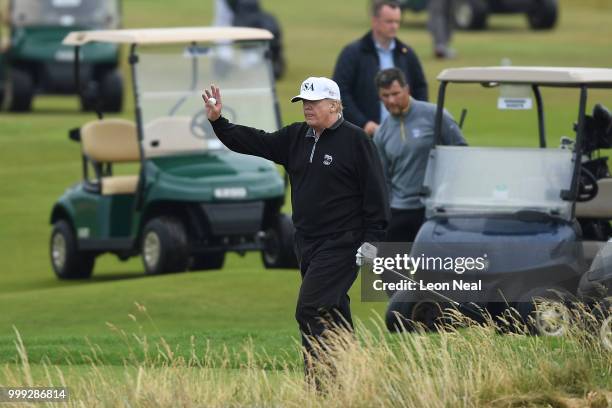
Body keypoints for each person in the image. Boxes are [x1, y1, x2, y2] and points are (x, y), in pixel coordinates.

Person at [202, 77, 389, 382]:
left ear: (334, 105)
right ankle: (356, 377)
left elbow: (377, 195)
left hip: (343, 243)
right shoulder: (296, 137)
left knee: (311, 308)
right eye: (304, 102)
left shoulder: (356, 141)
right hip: (307, 243)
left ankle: (320, 384)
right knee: (333, 311)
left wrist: (373, 241)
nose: (307, 108)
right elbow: (255, 141)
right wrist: (219, 122)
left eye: (314, 102)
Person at [373, 67, 466, 243]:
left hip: (433, 209)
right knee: (390, 269)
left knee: (431, 268)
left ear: (407, 89)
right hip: (399, 211)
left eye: (396, 93)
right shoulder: (381, 132)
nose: (391, 100)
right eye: (385, 96)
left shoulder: (434, 115)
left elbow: (461, 151)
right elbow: (382, 178)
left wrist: (447, 186)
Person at [333, 0, 428, 137]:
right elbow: (340, 92)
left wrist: (415, 121)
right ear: (374, 21)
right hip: (363, 136)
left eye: (397, 22)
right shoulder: (352, 53)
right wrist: (363, 123)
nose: (394, 26)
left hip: (401, 135)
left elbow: (420, 89)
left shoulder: (406, 54)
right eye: (389, 22)